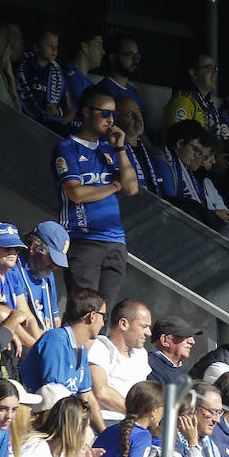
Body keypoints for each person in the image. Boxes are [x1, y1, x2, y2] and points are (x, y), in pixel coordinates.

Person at [54, 85, 140, 311]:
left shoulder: (112, 148)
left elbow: (131, 188)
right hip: (83, 239)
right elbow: (77, 193)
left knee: (103, 316)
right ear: (86, 112)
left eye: (114, 114)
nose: (111, 120)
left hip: (116, 242)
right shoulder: (67, 148)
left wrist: (120, 149)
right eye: (105, 113)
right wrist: (113, 186)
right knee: (83, 313)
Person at [19, 289, 108, 432]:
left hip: (62, 422)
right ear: (92, 316)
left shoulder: (81, 349)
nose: (104, 323)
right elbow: (53, 396)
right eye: (103, 316)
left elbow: (86, 396)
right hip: (38, 423)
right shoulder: (56, 340)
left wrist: (103, 433)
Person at [16, 25, 65, 128]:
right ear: (36, 47)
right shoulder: (24, 67)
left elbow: (64, 104)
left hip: (47, 126)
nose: (54, 49)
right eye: (49, 45)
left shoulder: (57, 74)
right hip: (24, 121)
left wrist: (57, 111)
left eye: (56, 46)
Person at [147, 315, 202, 388]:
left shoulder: (180, 372)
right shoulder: (148, 368)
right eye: (185, 336)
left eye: (192, 337)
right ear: (165, 340)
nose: (192, 341)